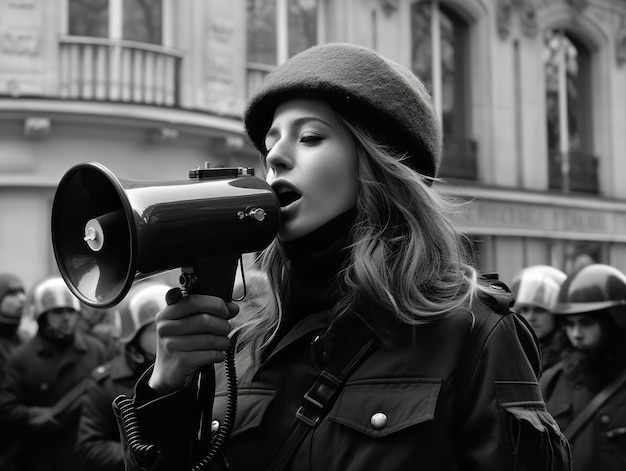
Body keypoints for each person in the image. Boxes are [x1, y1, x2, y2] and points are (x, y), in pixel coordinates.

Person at [113, 43, 571, 471]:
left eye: (310, 137)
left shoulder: (473, 331)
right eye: (270, 142)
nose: (276, 157)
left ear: (378, 166)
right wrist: (166, 387)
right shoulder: (244, 344)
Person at [0, 276, 109, 471]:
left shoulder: (96, 349)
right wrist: (30, 415)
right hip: (40, 456)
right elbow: (7, 406)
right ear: (43, 316)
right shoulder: (22, 357)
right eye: (58, 312)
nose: (66, 317)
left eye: (71, 311)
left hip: (85, 455)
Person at [540, 263, 626, 471]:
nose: (576, 333)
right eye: (570, 324)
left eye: (585, 323)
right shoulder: (552, 380)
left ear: (613, 323)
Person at [76, 282, 170, 471]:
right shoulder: (105, 383)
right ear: (132, 336)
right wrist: (140, 456)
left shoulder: (196, 373)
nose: (166, 335)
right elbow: (91, 445)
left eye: (171, 326)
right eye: (155, 329)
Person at [511, 265, 567, 372]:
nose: (530, 317)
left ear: (557, 316)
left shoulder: (568, 358)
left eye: (539, 310)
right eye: (525, 310)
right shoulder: (512, 349)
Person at [0, 273, 27, 471]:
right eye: (12, 293)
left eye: (22, 292)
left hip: (22, 438)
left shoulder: (25, 338)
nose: (22, 299)